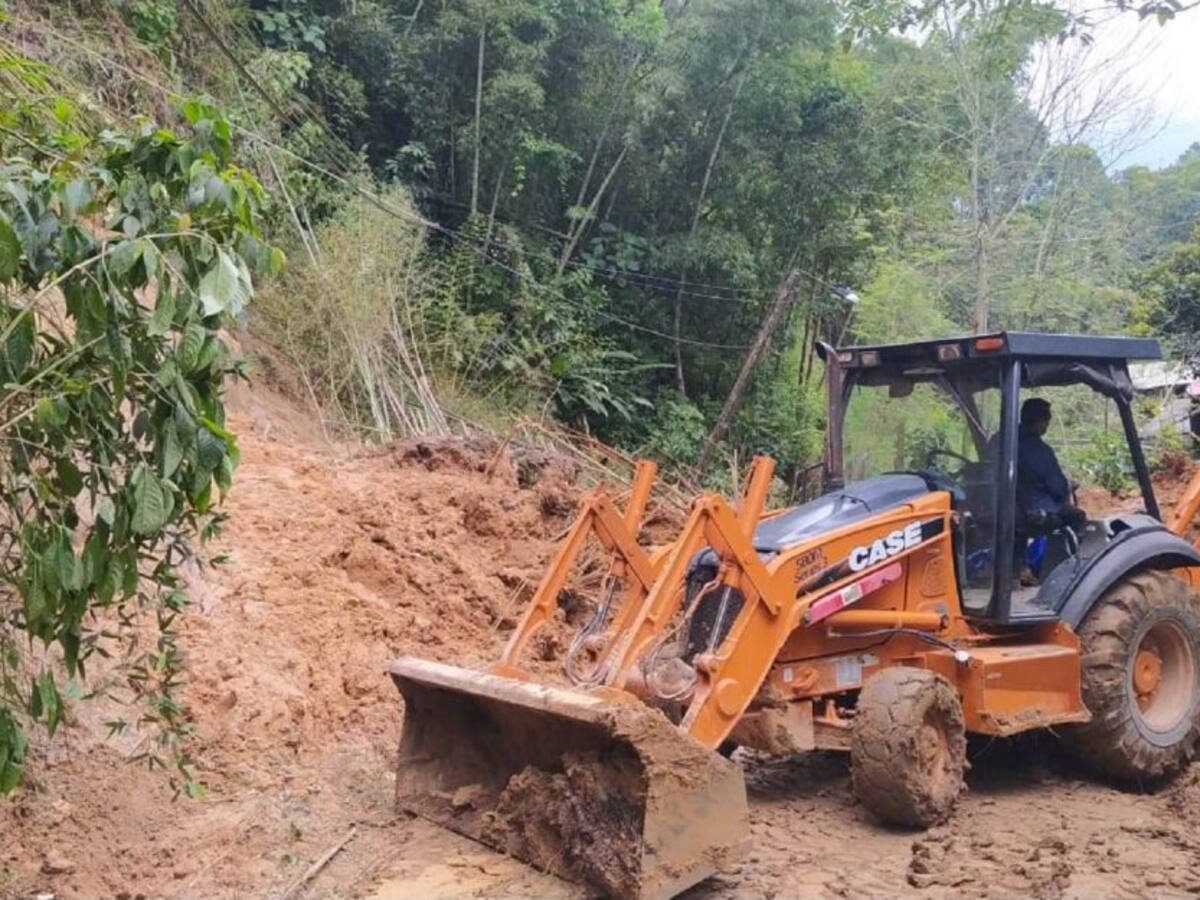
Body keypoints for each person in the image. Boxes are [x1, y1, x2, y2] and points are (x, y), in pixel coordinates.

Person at [1016, 398, 1086, 532]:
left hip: (1005, 507)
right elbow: (1058, 488)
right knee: (1078, 516)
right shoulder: (1040, 450)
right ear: (1041, 422)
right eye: (1047, 421)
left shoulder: (999, 440)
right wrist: (1068, 485)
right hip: (1035, 508)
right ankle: (1069, 551)